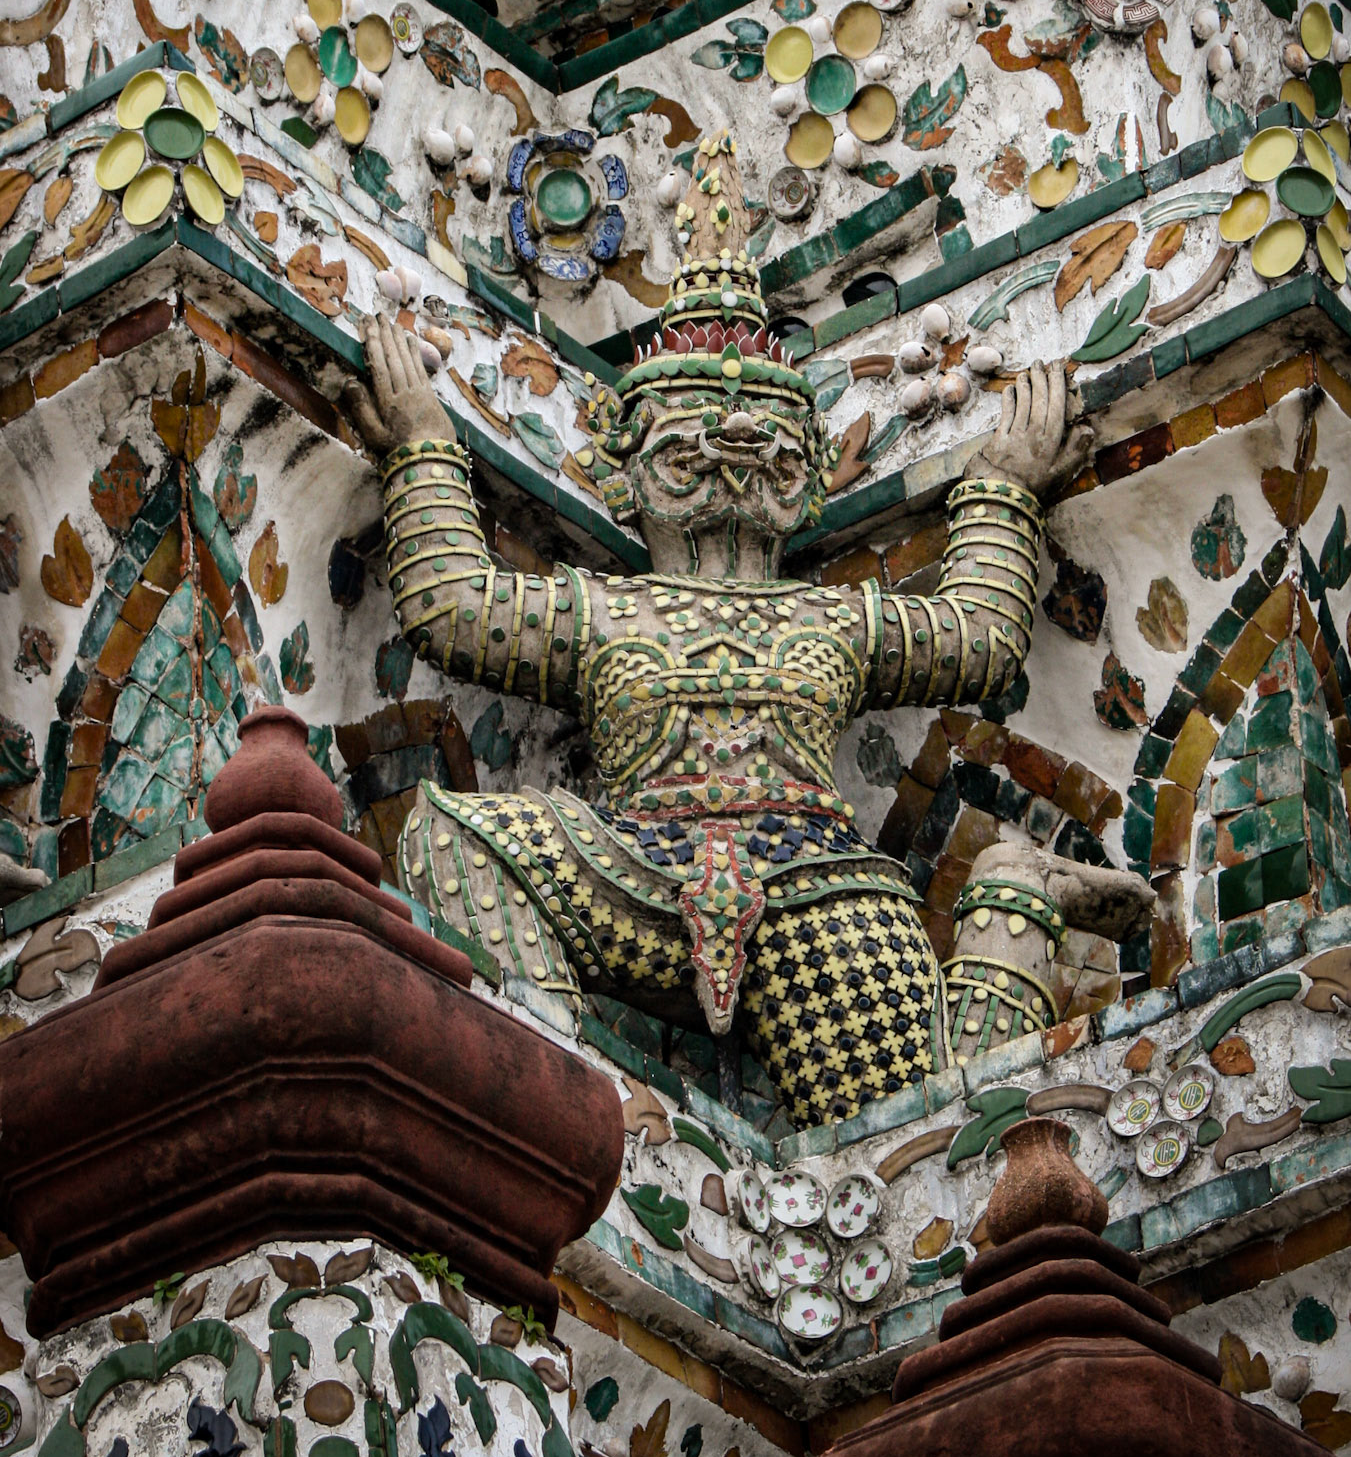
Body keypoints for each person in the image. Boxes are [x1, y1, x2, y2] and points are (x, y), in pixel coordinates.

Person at [349, 134, 1090, 1126]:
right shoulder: (601, 608)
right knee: (451, 833)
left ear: (808, 471)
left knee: (928, 1134)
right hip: (639, 863)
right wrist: (425, 448)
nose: (735, 442)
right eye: (697, 426)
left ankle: (1013, 901)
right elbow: (453, 609)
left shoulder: (831, 615)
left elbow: (980, 639)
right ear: (629, 467)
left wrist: (1002, 484)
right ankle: (556, 1101)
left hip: (816, 889)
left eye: (765, 432)